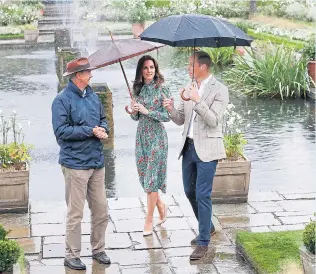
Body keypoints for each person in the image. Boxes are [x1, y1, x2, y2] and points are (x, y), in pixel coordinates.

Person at [163, 51, 229, 260]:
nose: (187, 68)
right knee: (189, 191)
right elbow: (180, 119)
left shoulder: (220, 90)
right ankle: (207, 227)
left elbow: (213, 121)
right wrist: (171, 108)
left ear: (203, 67)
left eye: (190, 64)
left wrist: (198, 100)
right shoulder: (189, 87)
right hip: (188, 148)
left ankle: (203, 242)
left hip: (208, 150)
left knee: (203, 194)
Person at [52, 57, 111, 270]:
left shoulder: (93, 96)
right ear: (78, 76)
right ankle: (71, 255)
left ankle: (98, 249)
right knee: (75, 213)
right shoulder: (61, 100)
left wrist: (104, 129)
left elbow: (103, 119)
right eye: (88, 72)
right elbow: (61, 132)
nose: (91, 74)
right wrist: (90, 130)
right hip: (75, 165)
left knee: (101, 209)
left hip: (96, 162)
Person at [130, 55, 170, 236]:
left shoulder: (163, 89)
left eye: (152, 67)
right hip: (142, 138)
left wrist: (148, 111)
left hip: (157, 138)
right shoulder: (137, 90)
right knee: (145, 177)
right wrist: (132, 111)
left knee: (152, 179)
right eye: (145, 68)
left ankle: (149, 220)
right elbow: (136, 117)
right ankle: (161, 205)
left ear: (156, 68)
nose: (149, 71)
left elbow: (167, 116)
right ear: (140, 70)